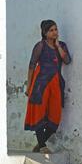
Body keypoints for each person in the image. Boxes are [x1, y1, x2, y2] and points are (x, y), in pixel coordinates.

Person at [25, 20, 72, 154]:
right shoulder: (40, 46)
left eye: (56, 29)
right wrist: (29, 87)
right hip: (40, 83)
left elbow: (67, 60)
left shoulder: (61, 45)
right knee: (39, 113)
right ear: (45, 33)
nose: (54, 32)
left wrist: (58, 46)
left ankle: (40, 144)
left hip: (56, 83)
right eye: (51, 30)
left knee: (55, 116)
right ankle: (43, 146)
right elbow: (31, 66)